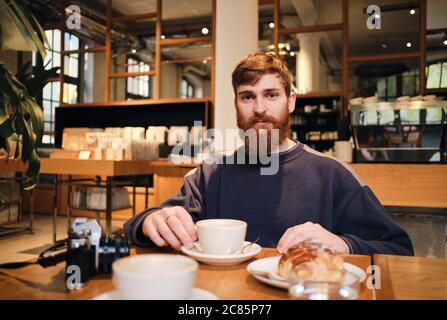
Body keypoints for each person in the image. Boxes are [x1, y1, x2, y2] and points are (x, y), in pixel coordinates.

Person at [124, 51, 413, 256]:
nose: (259, 108)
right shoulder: (211, 173)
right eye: (247, 96)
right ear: (236, 105)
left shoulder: (332, 174)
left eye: (271, 95)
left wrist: (344, 244)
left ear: (291, 102)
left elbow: (399, 249)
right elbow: (142, 225)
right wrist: (150, 221)